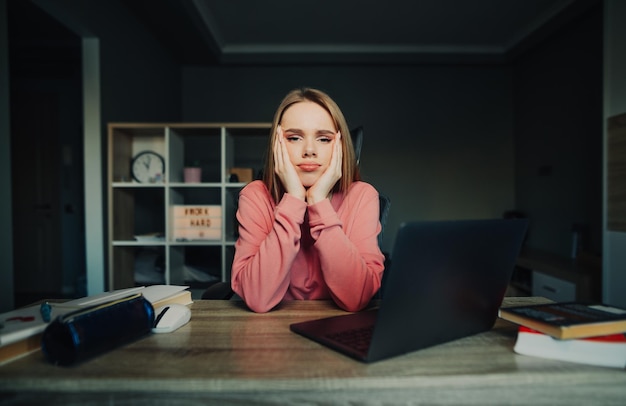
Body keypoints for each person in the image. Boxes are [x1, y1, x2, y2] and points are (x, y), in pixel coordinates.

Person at [231, 87, 385, 313]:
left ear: (340, 146)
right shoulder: (255, 196)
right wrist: (294, 199)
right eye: (294, 138)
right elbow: (257, 299)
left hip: (336, 329)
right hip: (269, 334)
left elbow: (356, 299)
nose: (310, 150)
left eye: (324, 139)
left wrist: (318, 202)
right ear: (277, 144)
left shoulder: (363, 196)